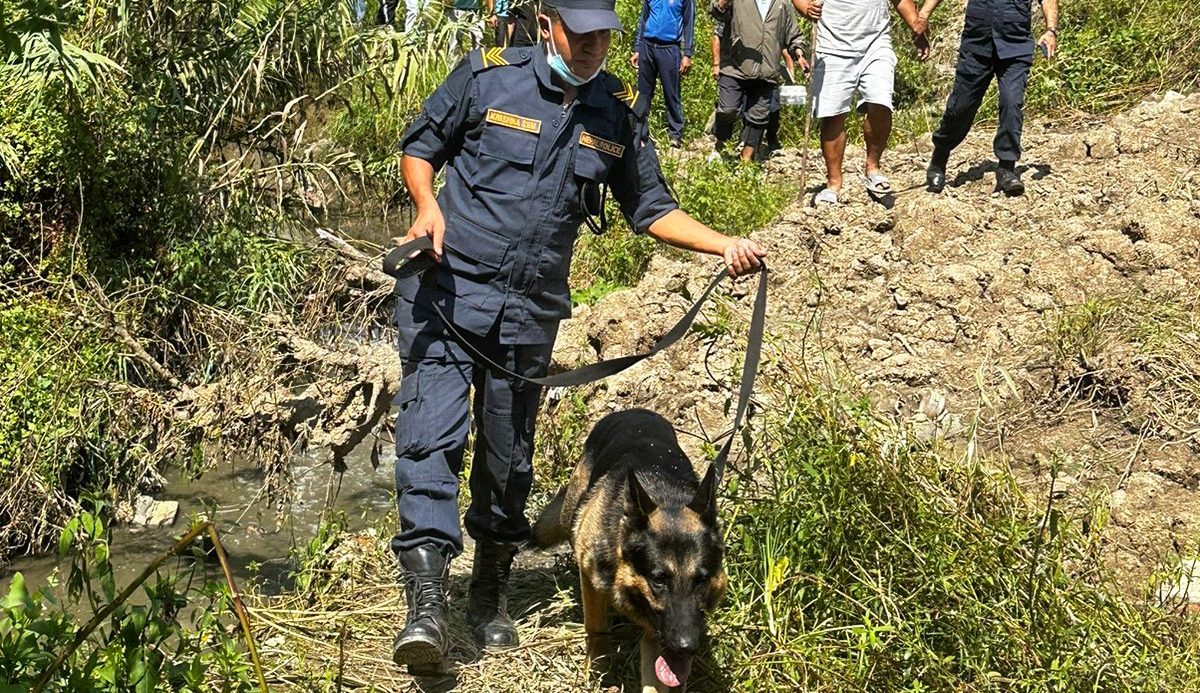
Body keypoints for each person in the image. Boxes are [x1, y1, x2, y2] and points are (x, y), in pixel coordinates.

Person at [389, 0, 766, 673]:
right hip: (446, 296)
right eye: (580, 32)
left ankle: (489, 588)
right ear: (546, 27)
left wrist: (725, 244)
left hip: (527, 316)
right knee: (431, 440)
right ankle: (425, 604)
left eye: (603, 35)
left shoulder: (615, 111)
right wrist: (426, 205)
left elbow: (650, 207)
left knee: (507, 461)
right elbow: (418, 147)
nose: (593, 46)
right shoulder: (486, 78)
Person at [795, 0, 929, 205]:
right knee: (833, 114)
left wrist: (916, 26)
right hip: (832, 46)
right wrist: (806, 8)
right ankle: (833, 182)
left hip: (876, 44)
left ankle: (873, 168)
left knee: (881, 102)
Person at [922, 0, 1060, 196]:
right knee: (961, 107)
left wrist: (1051, 30)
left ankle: (1006, 168)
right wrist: (923, 16)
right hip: (977, 45)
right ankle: (940, 155)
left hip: (1015, 46)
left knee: (1011, 103)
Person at [710, 0, 805, 163]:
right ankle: (720, 144)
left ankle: (746, 161)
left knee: (758, 117)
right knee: (727, 110)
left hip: (767, 71)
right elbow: (717, 13)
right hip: (734, 68)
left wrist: (799, 53)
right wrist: (723, 3)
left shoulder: (783, 4)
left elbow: (793, 34)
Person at [630, 0, 696, 149]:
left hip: (670, 48)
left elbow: (689, 23)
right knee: (643, 93)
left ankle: (675, 134)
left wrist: (687, 54)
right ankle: (639, 130)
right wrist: (638, 48)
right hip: (647, 46)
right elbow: (643, 19)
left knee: (671, 93)